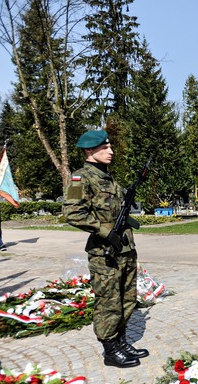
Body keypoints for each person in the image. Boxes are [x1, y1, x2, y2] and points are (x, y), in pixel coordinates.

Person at [63, 129, 147, 368]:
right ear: (90, 151)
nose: (111, 151)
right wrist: (104, 231)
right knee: (108, 301)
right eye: (104, 148)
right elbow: (72, 213)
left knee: (127, 298)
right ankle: (110, 350)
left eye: (110, 147)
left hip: (124, 248)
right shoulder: (81, 178)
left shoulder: (109, 178)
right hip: (104, 252)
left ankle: (121, 342)